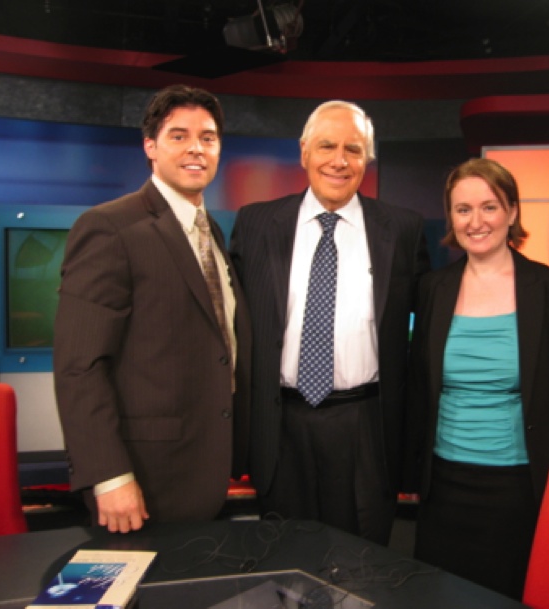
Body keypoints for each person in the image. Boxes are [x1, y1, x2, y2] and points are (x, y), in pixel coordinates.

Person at [229, 100, 430, 545]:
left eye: (354, 150)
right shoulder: (256, 223)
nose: (340, 161)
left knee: (360, 564)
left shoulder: (403, 229)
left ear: (367, 158)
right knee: (283, 557)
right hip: (280, 425)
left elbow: (430, 325)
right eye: (327, 146)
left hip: (365, 427)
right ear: (303, 152)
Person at [54, 84, 251, 533]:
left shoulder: (213, 233)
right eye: (179, 136)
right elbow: (78, 366)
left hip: (203, 467)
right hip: (142, 477)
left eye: (208, 137)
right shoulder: (109, 227)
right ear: (150, 146)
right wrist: (108, 475)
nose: (196, 149)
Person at [406, 158, 549, 599]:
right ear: (451, 218)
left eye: (489, 207)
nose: (476, 221)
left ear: (512, 211)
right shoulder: (433, 288)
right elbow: (418, 384)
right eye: (462, 209)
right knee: (440, 597)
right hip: (444, 486)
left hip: (521, 486)